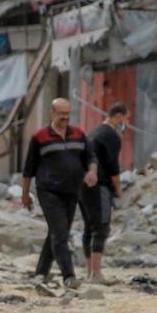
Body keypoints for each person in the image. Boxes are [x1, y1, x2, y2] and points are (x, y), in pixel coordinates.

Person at [21, 98, 97, 288]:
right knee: (61, 233)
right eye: (61, 114)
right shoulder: (40, 137)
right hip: (48, 191)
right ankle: (69, 276)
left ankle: (41, 272)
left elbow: (90, 157)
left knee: (56, 232)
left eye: (67, 114)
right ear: (52, 113)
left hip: (72, 192)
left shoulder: (78, 134)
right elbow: (29, 169)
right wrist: (24, 195)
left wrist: (92, 171)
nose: (65, 117)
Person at [81, 102, 129, 284]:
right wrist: (118, 188)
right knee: (101, 227)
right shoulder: (111, 136)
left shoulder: (94, 132)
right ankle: (97, 274)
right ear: (118, 116)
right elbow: (112, 166)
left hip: (82, 184)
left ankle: (89, 273)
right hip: (98, 184)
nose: (126, 122)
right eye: (126, 118)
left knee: (88, 227)